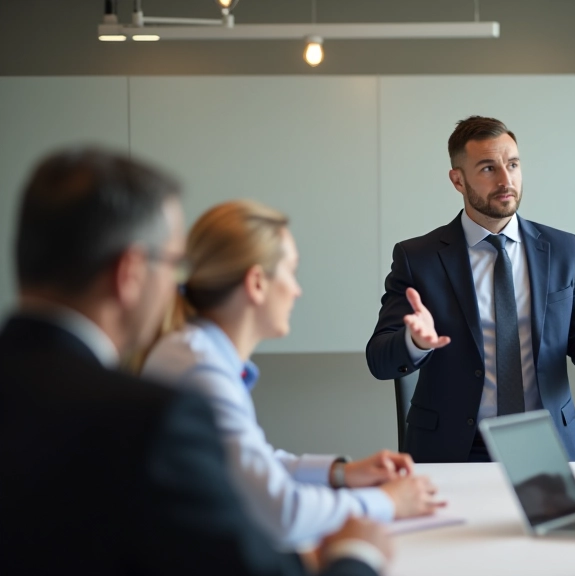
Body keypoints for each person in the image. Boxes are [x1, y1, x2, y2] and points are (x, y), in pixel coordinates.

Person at [0, 148, 391, 576]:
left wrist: (336, 475)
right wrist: (358, 556)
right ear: (129, 272)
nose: (178, 285)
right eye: (171, 264)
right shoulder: (149, 418)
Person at [142, 200, 441, 549]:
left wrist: (342, 472)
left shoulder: (196, 353)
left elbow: (255, 464)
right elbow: (281, 511)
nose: (297, 290)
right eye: (291, 271)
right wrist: (389, 502)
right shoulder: (201, 371)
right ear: (256, 283)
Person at [366, 116, 575, 463]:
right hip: (454, 449)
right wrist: (414, 342)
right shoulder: (419, 258)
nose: (506, 180)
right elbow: (379, 360)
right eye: (488, 168)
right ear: (458, 180)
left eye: (513, 165)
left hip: (546, 444)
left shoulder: (563, 249)